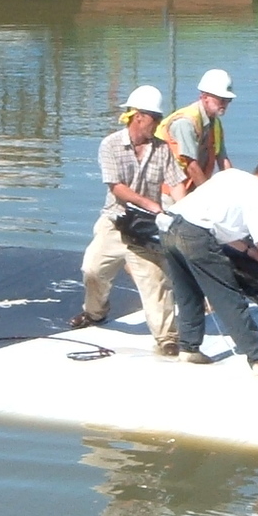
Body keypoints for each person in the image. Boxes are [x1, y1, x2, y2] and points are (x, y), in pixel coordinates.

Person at [161, 151, 258, 377]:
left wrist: (248, 250)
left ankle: (189, 348)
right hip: (196, 237)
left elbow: (220, 224)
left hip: (171, 228)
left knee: (187, 292)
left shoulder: (231, 176)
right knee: (229, 298)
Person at [72, 85, 181, 355]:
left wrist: (186, 209)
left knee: (155, 281)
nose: (156, 126)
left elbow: (176, 184)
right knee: (93, 270)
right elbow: (116, 187)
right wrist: (149, 203)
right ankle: (95, 313)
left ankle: (167, 338)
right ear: (138, 117)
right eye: (154, 119)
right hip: (116, 219)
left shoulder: (162, 150)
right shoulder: (110, 145)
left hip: (145, 228)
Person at [157, 68, 235, 198]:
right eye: (221, 99)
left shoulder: (215, 124)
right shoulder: (185, 123)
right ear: (204, 97)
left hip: (191, 190)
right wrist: (207, 197)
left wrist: (235, 189)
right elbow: (191, 166)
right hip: (166, 193)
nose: (225, 104)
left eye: (228, 100)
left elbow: (223, 160)